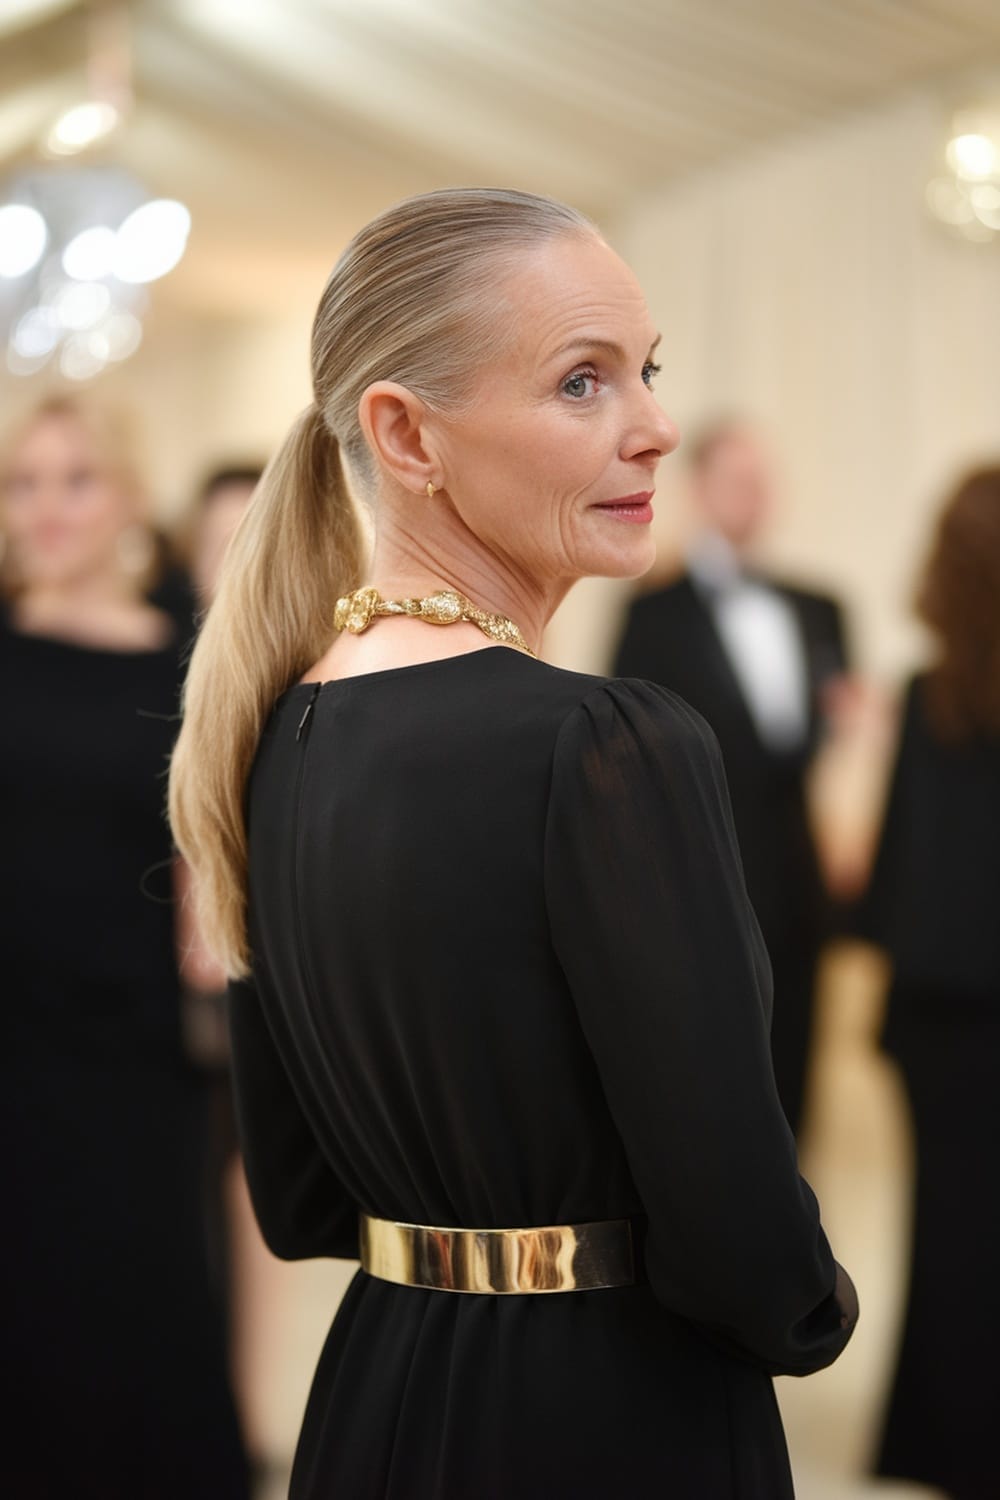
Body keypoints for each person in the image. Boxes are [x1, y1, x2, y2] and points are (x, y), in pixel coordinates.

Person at [170, 188, 857, 1500]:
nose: (655, 429)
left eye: (644, 374)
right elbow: (739, 1235)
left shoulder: (271, 733)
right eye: (582, 383)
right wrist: (807, 1303)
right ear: (405, 434)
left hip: (376, 1395)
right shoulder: (606, 744)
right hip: (607, 1420)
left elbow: (302, 1200)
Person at [0, 396, 249, 1500]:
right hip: (5, 1047)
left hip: (131, 1055)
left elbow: (211, 862)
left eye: (76, 479)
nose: (46, 508)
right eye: (24, 482)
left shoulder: (186, 673)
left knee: (134, 1311)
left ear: (133, 500)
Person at [613, 422, 851, 1136]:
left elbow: (823, 735)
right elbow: (624, 751)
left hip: (799, 876)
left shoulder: (821, 608)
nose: (752, 496)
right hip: (700, 872)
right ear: (700, 490)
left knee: (798, 1079)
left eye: (762, 481)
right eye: (736, 480)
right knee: (712, 1092)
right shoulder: (652, 614)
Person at [861, 467, 1000, 1500]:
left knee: (943, 1236)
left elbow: (894, 875)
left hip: (931, 1015)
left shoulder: (923, 698)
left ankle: (942, 1445)